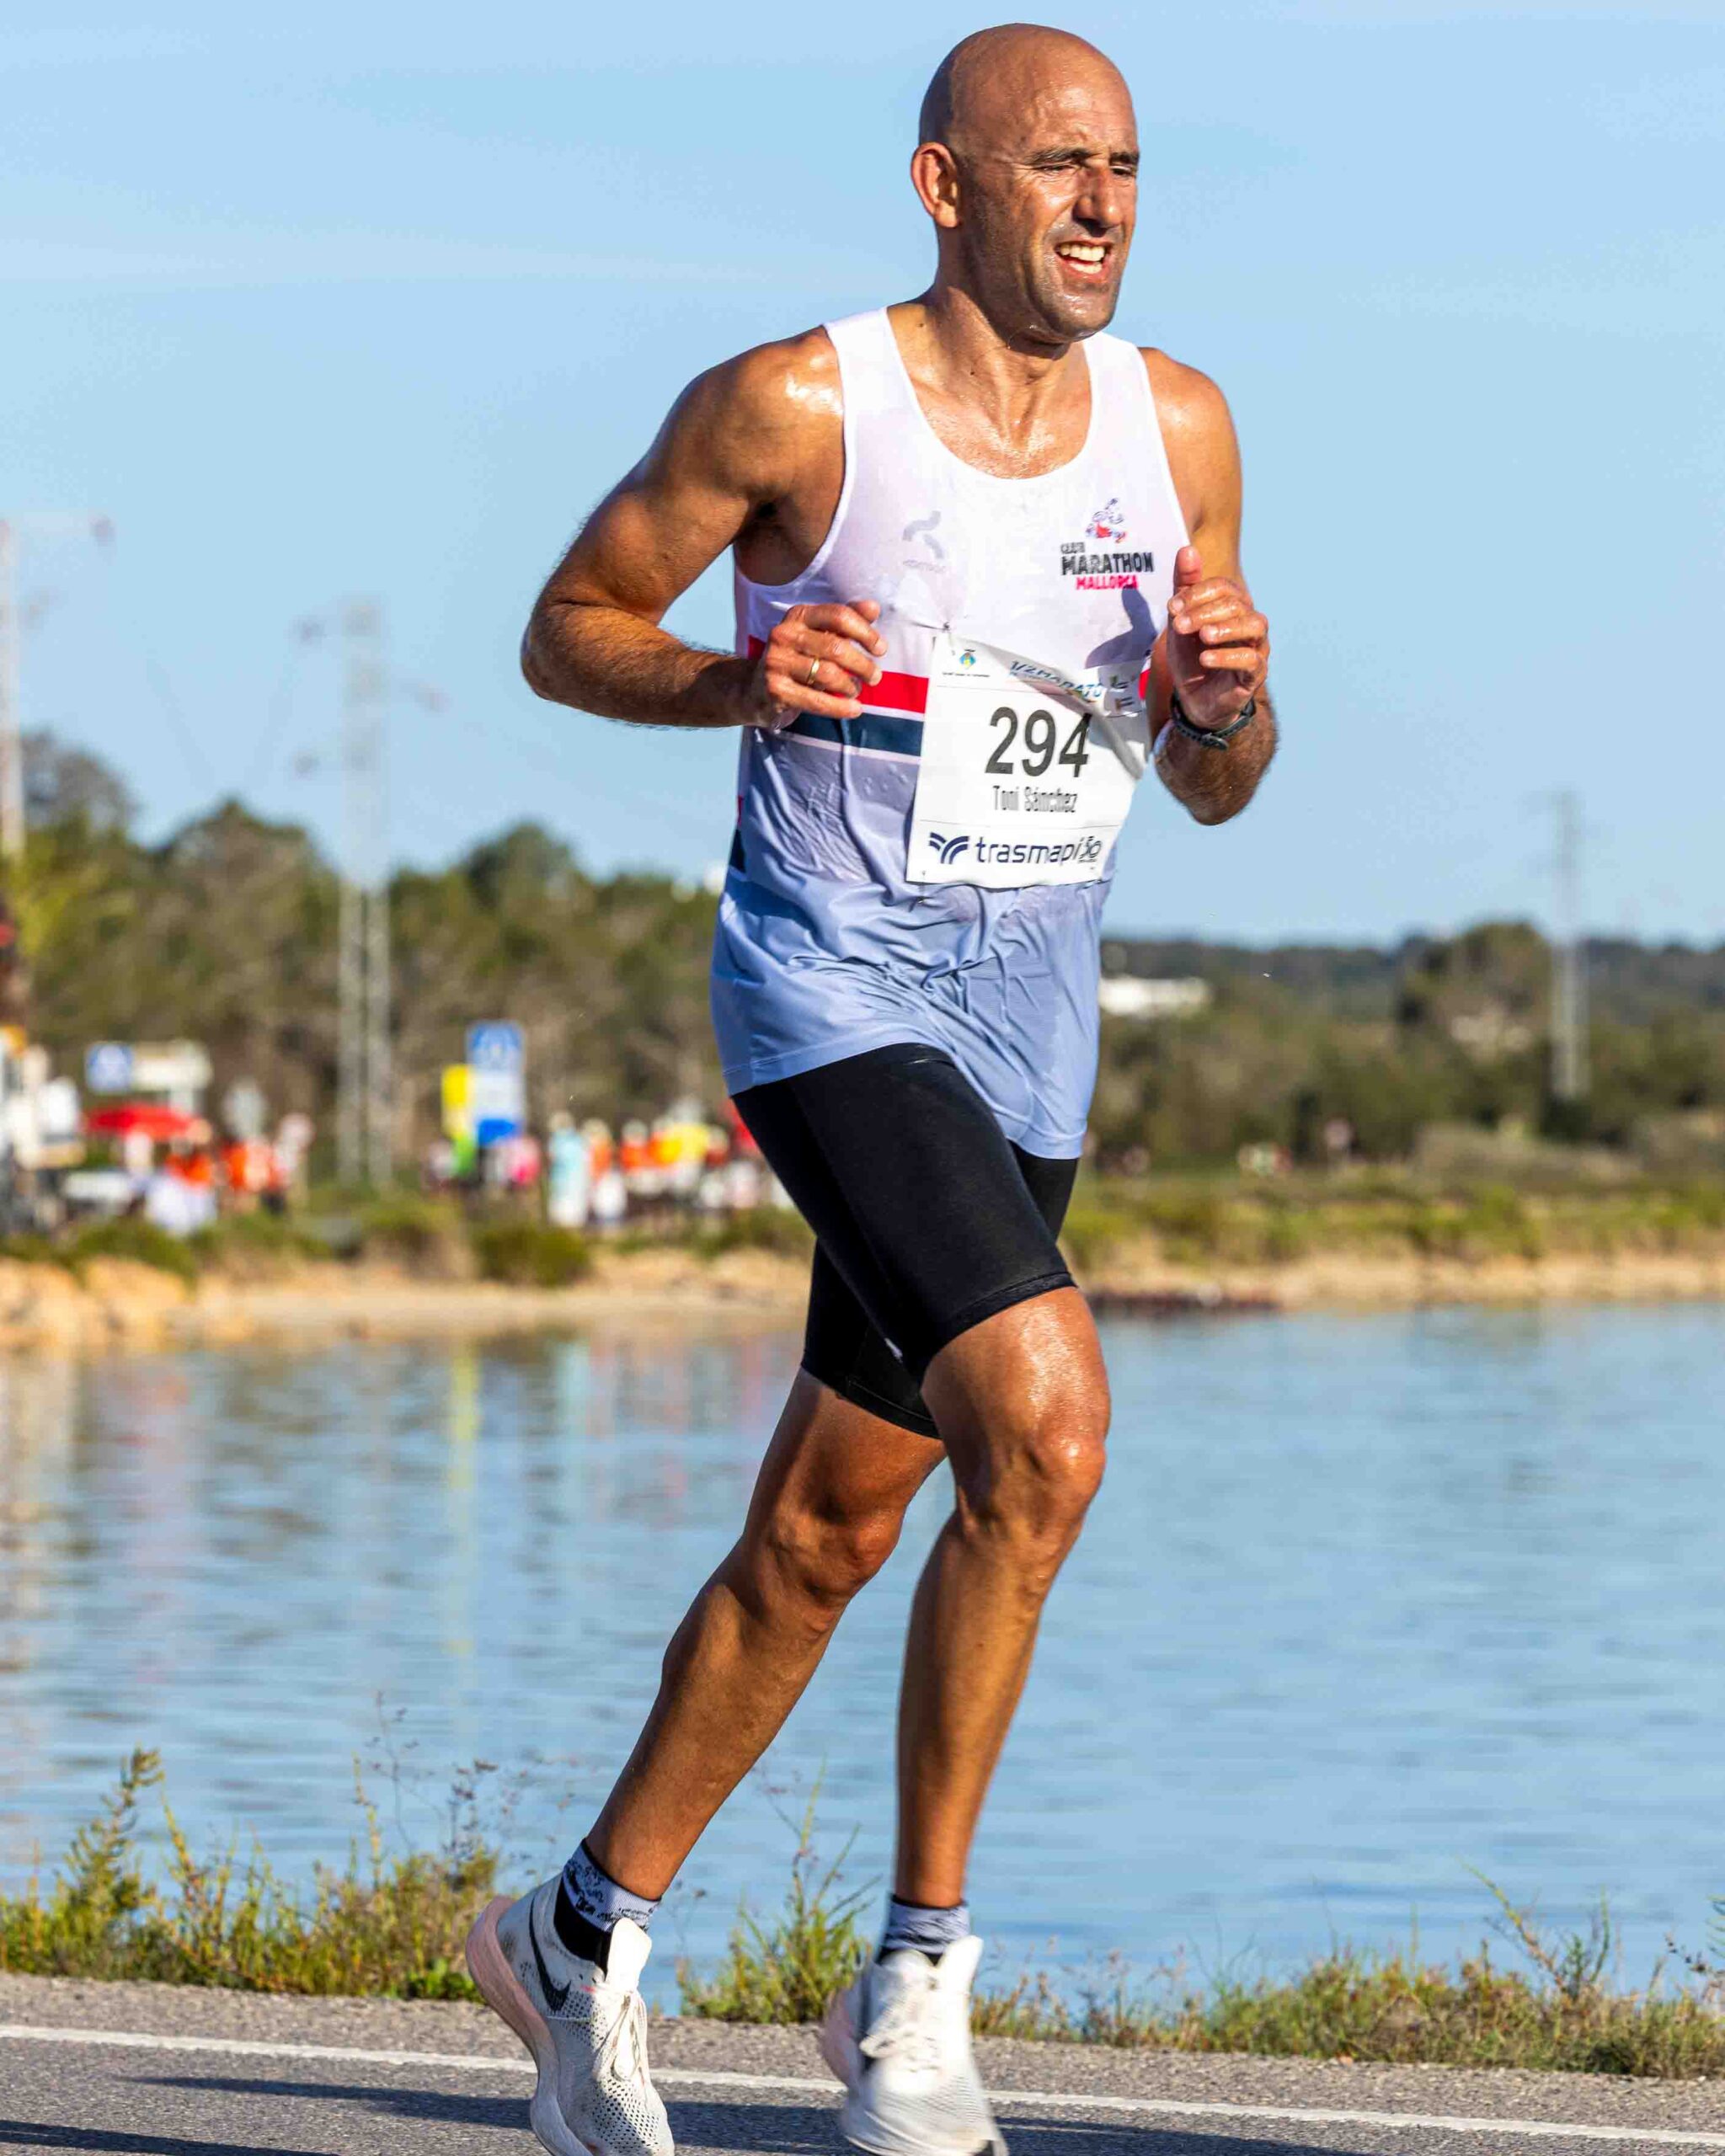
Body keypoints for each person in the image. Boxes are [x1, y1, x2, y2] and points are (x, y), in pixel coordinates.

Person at [466, 26, 1276, 2156]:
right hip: (831, 988)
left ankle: (574, 1927)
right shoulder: (796, 406)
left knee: (830, 1526)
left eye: (1124, 168)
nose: (1098, 205)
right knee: (1049, 1424)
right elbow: (567, 624)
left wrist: (1224, 704)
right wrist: (735, 675)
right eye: (1057, 165)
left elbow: (1214, 783)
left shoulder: (1178, 427)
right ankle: (916, 1984)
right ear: (944, 185)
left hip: (1030, 1023)